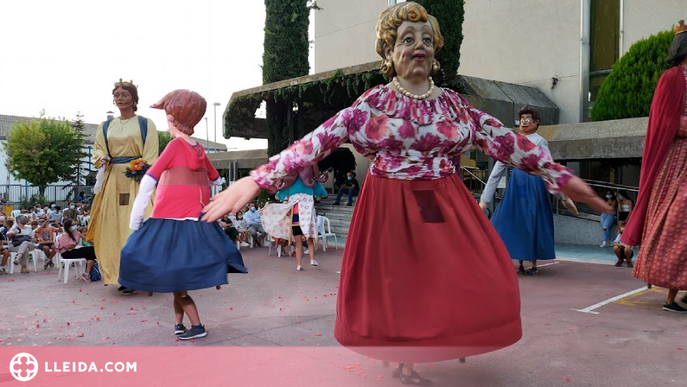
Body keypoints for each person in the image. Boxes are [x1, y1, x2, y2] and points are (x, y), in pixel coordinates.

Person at [201, 3, 610, 383]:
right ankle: (405, 355)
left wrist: (559, 176)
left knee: (476, 272)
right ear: (389, 51)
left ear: (436, 53)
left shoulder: (453, 105)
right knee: (401, 282)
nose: (419, 47)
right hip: (390, 202)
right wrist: (257, 179)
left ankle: (453, 332)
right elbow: (316, 141)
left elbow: (505, 141)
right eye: (408, 39)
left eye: (427, 40)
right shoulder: (373, 104)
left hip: (444, 199)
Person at [119, 89, 247, 340]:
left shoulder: (176, 145)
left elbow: (148, 182)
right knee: (176, 280)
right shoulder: (198, 148)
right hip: (195, 223)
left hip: (171, 221)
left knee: (136, 255)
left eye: (167, 114)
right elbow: (216, 179)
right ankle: (179, 324)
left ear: (173, 117)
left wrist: (136, 221)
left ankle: (197, 327)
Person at [621, 20, 687, 313]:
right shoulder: (673, 77)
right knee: (678, 220)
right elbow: (665, 124)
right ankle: (673, 296)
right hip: (678, 161)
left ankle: (677, 295)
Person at [479, 105, 579, 276]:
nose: (524, 123)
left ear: (536, 122)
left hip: (534, 184)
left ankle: (532, 263)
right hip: (516, 185)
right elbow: (496, 172)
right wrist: (484, 200)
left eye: (527, 119)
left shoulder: (539, 141)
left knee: (532, 220)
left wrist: (563, 197)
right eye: (522, 119)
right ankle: (519, 261)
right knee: (513, 220)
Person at [86, 79, 159, 294]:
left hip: (138, 179)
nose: (119, 98)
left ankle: (143, 274)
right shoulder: (106, 126)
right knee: (112, 228)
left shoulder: (146, 124)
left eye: (124, 94)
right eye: (116, 95)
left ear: (134, 99)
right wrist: (102, 158)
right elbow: (97, 150)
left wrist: (142, 170)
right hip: (112, 180)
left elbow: (152, 153)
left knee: (138, 225)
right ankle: (121, 275)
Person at [263, 165, 329, 271]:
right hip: (307, 218)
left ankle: (299, 265)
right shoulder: (312, 182)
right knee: (310, 240)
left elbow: (277, 196)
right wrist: (315, 195)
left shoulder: (290, 182)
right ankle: (312, 259)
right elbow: (322, 195)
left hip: (295, 218)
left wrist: (288, 197)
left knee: (298, 243)